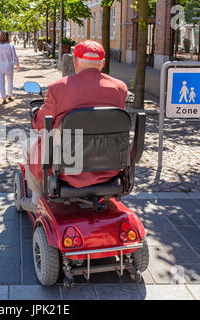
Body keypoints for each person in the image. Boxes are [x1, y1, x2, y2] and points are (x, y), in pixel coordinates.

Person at [21, 40, 128, 211]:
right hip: (109, 166)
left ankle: (35, 201)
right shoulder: (120, 88)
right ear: (103, 63)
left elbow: (40, 123)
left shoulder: (59, 87)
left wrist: (36, 116)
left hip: (66, 169)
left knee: (28, 145)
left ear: (75, 61)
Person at [0, 31, 20, 105]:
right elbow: (14, 56)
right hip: (9, 65)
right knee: (10, 81)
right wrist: (16, 64)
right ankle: (10, 95)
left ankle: (4, 98)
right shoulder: (10, 45)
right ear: (8, 36)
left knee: (1, 82)